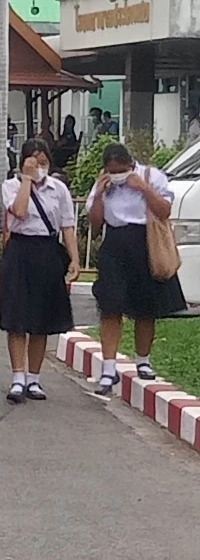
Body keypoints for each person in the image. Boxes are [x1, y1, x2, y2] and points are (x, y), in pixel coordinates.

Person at [87, 142, 186, 395]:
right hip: (115, 243)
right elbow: (95, 223)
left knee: (146, 307)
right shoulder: (105, 183)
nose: (117, 175)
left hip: (145, 241)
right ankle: (109, 368)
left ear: (131, 163)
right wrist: (99, 194)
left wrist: (143, 188)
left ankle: (143, 359)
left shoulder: (152, 176)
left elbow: (164, 211)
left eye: (121, 170)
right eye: (112, 171)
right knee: (110, 307)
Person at [0, 138, 80, 403]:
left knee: (41, 320)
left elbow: (67, 225)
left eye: (43, 161)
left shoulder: (59, 189)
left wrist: (74, 258)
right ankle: (18, 377)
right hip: (20, 251)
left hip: (47, 252)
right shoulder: (11, 187)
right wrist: (26, 179)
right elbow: (19, 212)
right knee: (16, 318)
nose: (39, 166)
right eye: (34, 161)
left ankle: (34, 378)